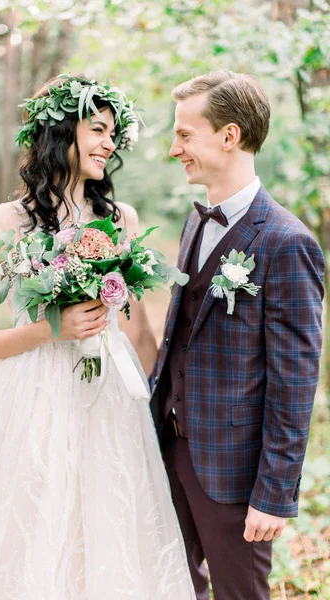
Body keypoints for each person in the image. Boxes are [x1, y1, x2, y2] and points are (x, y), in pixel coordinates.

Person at [0, 75, 196, 599]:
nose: (108, 143)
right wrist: (49, 328)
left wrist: (164, 407)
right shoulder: (0, 223)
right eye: (97, 129)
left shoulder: (122, 220)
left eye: (113, 133)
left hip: (108, 400)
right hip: (30, 401)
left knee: (106, 528)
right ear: (60, 132)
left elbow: (138, 330)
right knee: (33, 530)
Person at [150, 71, 325, 599]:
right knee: (172, 585)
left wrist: (274, 493)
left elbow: (294, 385)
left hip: (235, 470)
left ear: (229, 137)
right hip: (171, 449)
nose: (174, 147)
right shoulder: (195, 221)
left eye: (185, 134)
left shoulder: (287, 242)